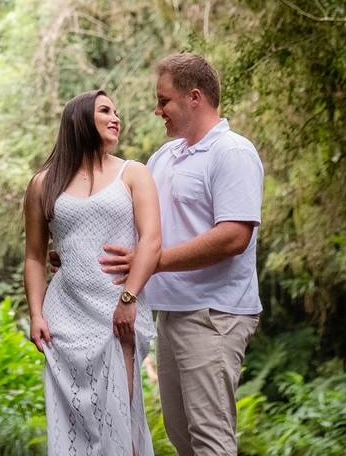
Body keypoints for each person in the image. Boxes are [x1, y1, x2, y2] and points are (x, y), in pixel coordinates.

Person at [93, 54, 264, 456]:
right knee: (181, 437)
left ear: (194, 97)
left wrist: (153, 261)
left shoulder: (233, 152)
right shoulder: (162, 158)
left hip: (214, 314)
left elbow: (233, 237)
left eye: (164, 100)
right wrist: (77, 256)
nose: (157, 110)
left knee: (209, 438)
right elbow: (138, 235)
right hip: (169, 314)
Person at [24, 89, 163, 456]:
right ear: (80, 119)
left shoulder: (133, 173)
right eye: (105, 110)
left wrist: (128, 298)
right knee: (73, 431)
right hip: (64, 321)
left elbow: (151, 241)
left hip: (118, 315)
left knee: (122, 425)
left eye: (116, 111)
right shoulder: (43, 183)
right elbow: (35, 257)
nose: (116, 117)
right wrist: (36, 314)